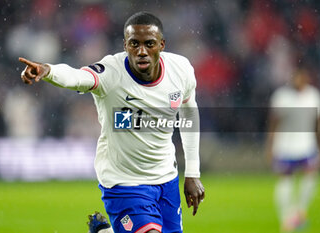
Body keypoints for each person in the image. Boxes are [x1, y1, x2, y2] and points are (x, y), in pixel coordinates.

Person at [19, 12, 205, 233]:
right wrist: (48, 71)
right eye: (134, 44)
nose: (142, 51)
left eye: (150, 44)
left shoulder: (181, 70)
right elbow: (77, 76)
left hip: (166, 178)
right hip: (123, 181)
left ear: (162, 45)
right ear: (125, 45)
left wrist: (193, 172)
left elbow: (189, 114)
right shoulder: (111, 72)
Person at [266, 69, 320, 232]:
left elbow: (318, 124)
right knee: (285, 181)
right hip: (285, 146)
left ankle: (300, 211)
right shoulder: (282, 96)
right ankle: (286, 218)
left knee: (310, 177)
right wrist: (270, 145)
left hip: (307, 145)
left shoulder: (313, 95)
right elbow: (273, 123)